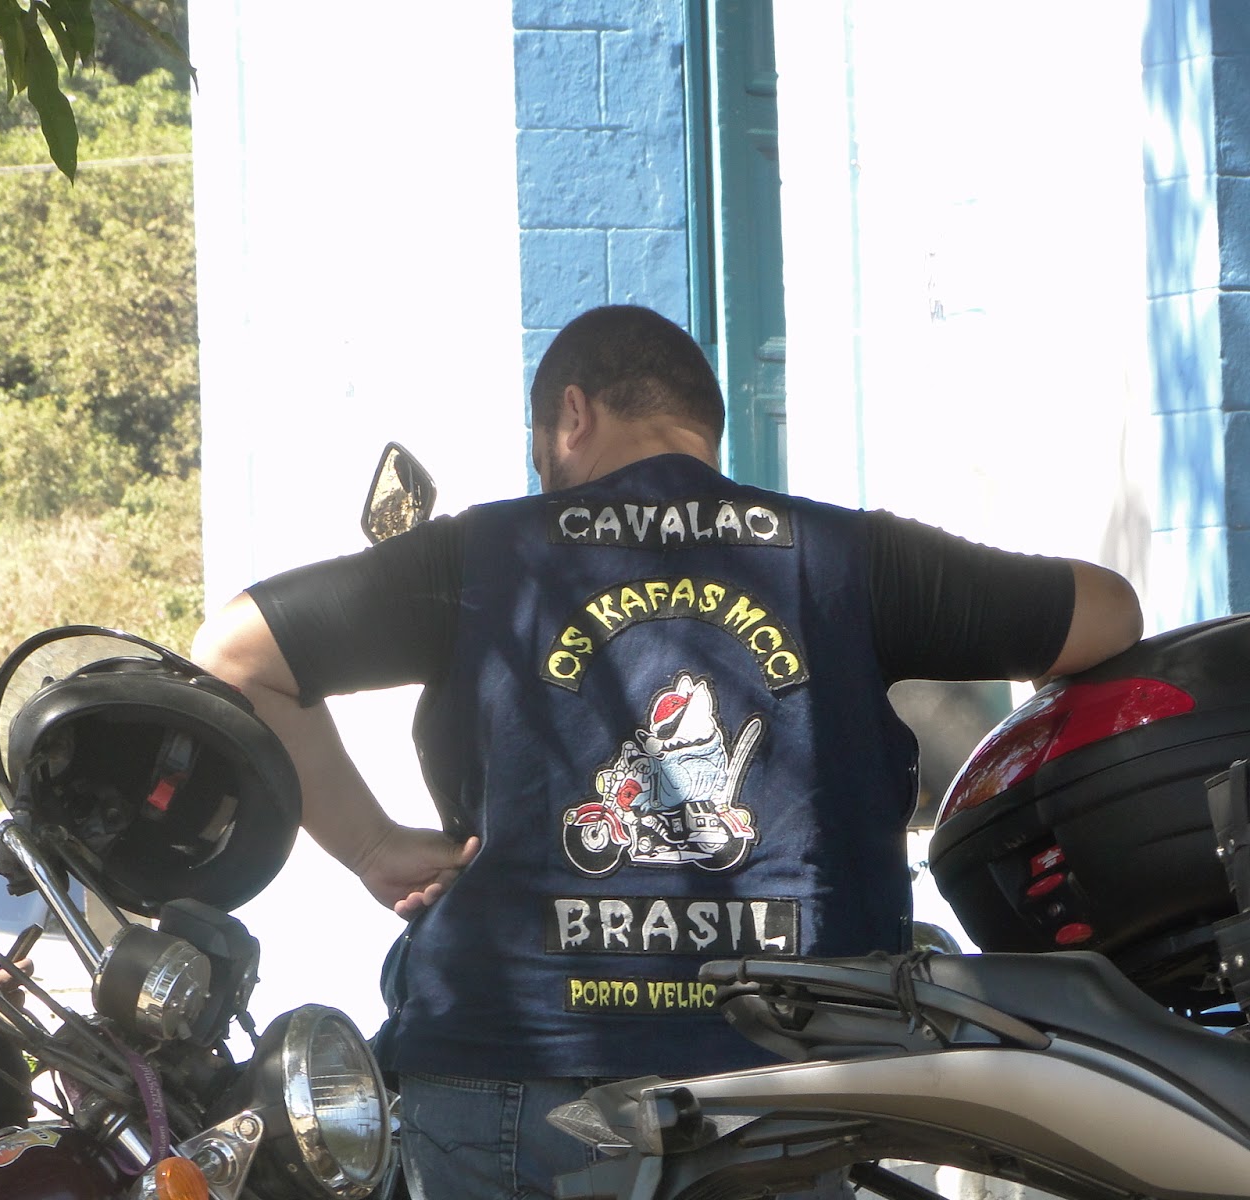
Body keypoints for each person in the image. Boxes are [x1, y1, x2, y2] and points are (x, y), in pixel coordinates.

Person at [189, 304, 1144, 1200]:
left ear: (572, 415)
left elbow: (235, 655)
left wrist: (371, 845)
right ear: (703, 428)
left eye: (542, 454)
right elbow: (1108, 614)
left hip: (510, 1063)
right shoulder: (844, 556)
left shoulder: (480, 556)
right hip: (781, 1083)